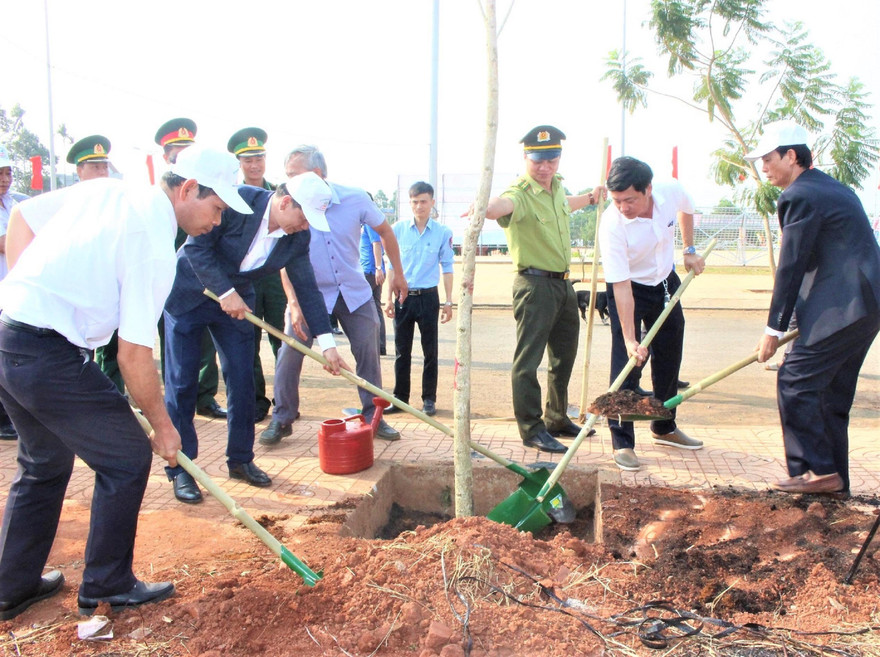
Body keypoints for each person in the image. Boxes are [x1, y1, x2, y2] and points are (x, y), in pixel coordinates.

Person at [0, 144, 243, 620]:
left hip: (10, 333)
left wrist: (28, 289)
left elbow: (23, 217)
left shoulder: (109, 189)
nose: (217, 221)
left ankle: (12, 585)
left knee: (43, 463)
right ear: (189, 189)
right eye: (216, 208)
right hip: (47, 350)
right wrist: (164, 427)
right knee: (128, 457)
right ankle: (107, 585)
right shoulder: (153, 242)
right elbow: (133, 357)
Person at [164, 170, 347, 502]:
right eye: (304, 217)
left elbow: (306, 287)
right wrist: (225, 290)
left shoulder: (297, 238)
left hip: (236, 309)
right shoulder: (237, 202)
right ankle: (182, 470)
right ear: (285, 201)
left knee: (243, 381)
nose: (305, 226)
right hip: (191, 295)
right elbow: (196, 249)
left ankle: (240, 461)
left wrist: (329, 344)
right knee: (182, 384)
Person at [746, 121, 880, 495]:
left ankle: (817, 472)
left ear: (791, 155)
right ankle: (834, 487)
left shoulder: (799, 195)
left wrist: (773, 330)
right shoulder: (831, 187)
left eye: (769, 159)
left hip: (844, 306)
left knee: (795, 381)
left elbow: (792, 264)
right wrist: (792, 319)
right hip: (864, 306)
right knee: (827, 395)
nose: (765, 168)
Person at [260, 145, 407, 444]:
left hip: (353, 291)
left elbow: (385, 232)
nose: (287, 182)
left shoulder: (355, 198)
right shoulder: (287, 205)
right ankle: (283, 418)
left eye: (293, 175)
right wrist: (292, 303)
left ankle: (373, 418)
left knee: (369, 348)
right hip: (307, 294)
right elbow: (283, 258)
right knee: (290, 349)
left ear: (316, 174)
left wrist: (398, 274)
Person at [482, 125, 602, 454]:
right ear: (525, 159)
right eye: (537, 160)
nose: (544, 166)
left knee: (564, 356)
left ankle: (557, 417)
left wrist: (592, 198)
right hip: (534, 285)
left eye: (551, 159)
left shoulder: (558, 188)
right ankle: (532, 428)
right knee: (528, 360)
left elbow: (566, 205)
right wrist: (484, 207)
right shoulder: (520, 192)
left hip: (563, 286)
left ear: (559, 158)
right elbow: (499, 207)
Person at [599, 156, 706, 471]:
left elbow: (688, 209)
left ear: (648, 189)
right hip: (630, 286)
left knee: (670, 353)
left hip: (665, 281)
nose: (623, 207)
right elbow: (620, 287)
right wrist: (632, 339)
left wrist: (689, 250)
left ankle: (664, 426)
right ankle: (622, 442)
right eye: (616, 200)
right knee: (627, 363)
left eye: (629, 199)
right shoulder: (612, 225)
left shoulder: (669, 189)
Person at [154, 118, 226, 420]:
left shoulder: (202, 199)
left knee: (204, 348)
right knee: (174, 356)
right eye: (176, 151)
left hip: (202, 285)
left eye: (187, 149)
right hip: (166, 290)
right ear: (166, 157)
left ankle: (204, 396)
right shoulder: (157, 206)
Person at [227, 127, 285, 423]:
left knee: (282, 340)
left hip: (275, 279)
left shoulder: (280, 194)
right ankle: (256, 401)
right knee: (247, 341)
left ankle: (285, 400)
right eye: (248, 159)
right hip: (244, 281)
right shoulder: (230, 196)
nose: (254, 164)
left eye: (259, 158)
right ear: (239, 163)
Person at [383, 181, 454, 417]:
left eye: (423, 201)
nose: (419, 206)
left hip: (428, 297)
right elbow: (391, 266)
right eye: (414, 202)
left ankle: (429, 399)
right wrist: (388, 299)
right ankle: (400, 398)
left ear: (432, 203)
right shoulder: (398, 229)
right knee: (402, 351)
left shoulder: (443, 233)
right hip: (403, 297)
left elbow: (447, 267)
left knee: (430, 351)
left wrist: (448, 300)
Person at [65, 135, 128, 394]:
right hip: (78, 291)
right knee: (81, 353)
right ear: (80, 171)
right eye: (94, 167)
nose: (102, 172)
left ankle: (115, 397)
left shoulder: (119, 204)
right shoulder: (66, 203)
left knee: (114, 348)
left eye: (104, 166)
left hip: (112, 288)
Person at [0, 146, 19, 440]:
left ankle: (8, 415)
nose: (5, 179)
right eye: (0, 173)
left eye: (7, 173)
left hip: (12, 291)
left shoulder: (16, 203)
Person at [360, 222, 387, 355]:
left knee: (363, 307)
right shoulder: (371, 224)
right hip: (373, 270)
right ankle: (380, 345)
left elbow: (376, 244)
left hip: (370, 270)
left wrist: (378, 268)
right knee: (375, 307)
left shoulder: (369, 224)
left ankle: (371, 345)